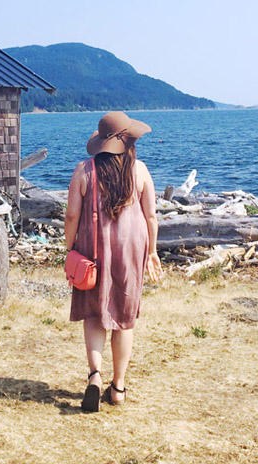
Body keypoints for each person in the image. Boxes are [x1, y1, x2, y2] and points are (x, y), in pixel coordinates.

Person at [64, 111, 162, 412]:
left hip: (92, 246)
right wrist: (153, 251)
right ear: (129, 141)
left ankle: (95, 375)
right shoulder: (141, 170)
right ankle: (118, 388)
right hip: (132, 248)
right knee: (124, 316)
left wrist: (70, 248)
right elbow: (150, 216)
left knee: (94, 312)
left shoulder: (85, 170)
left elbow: (71, 216)